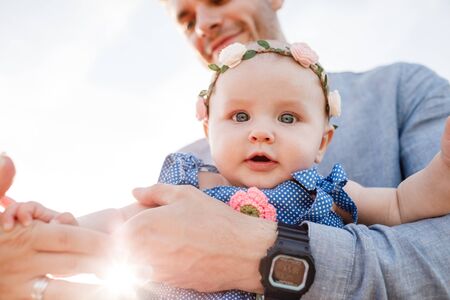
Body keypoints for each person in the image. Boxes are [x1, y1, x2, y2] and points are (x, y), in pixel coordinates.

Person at [1, 0, 450, 298]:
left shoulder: (329, 180)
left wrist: (442, 171)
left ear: (322, 142)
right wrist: (52, 228)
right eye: (238, 117)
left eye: (288, 118)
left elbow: (400, 204)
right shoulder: (188, 176)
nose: (260, 133)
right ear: (207, 124)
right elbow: (120, 223)